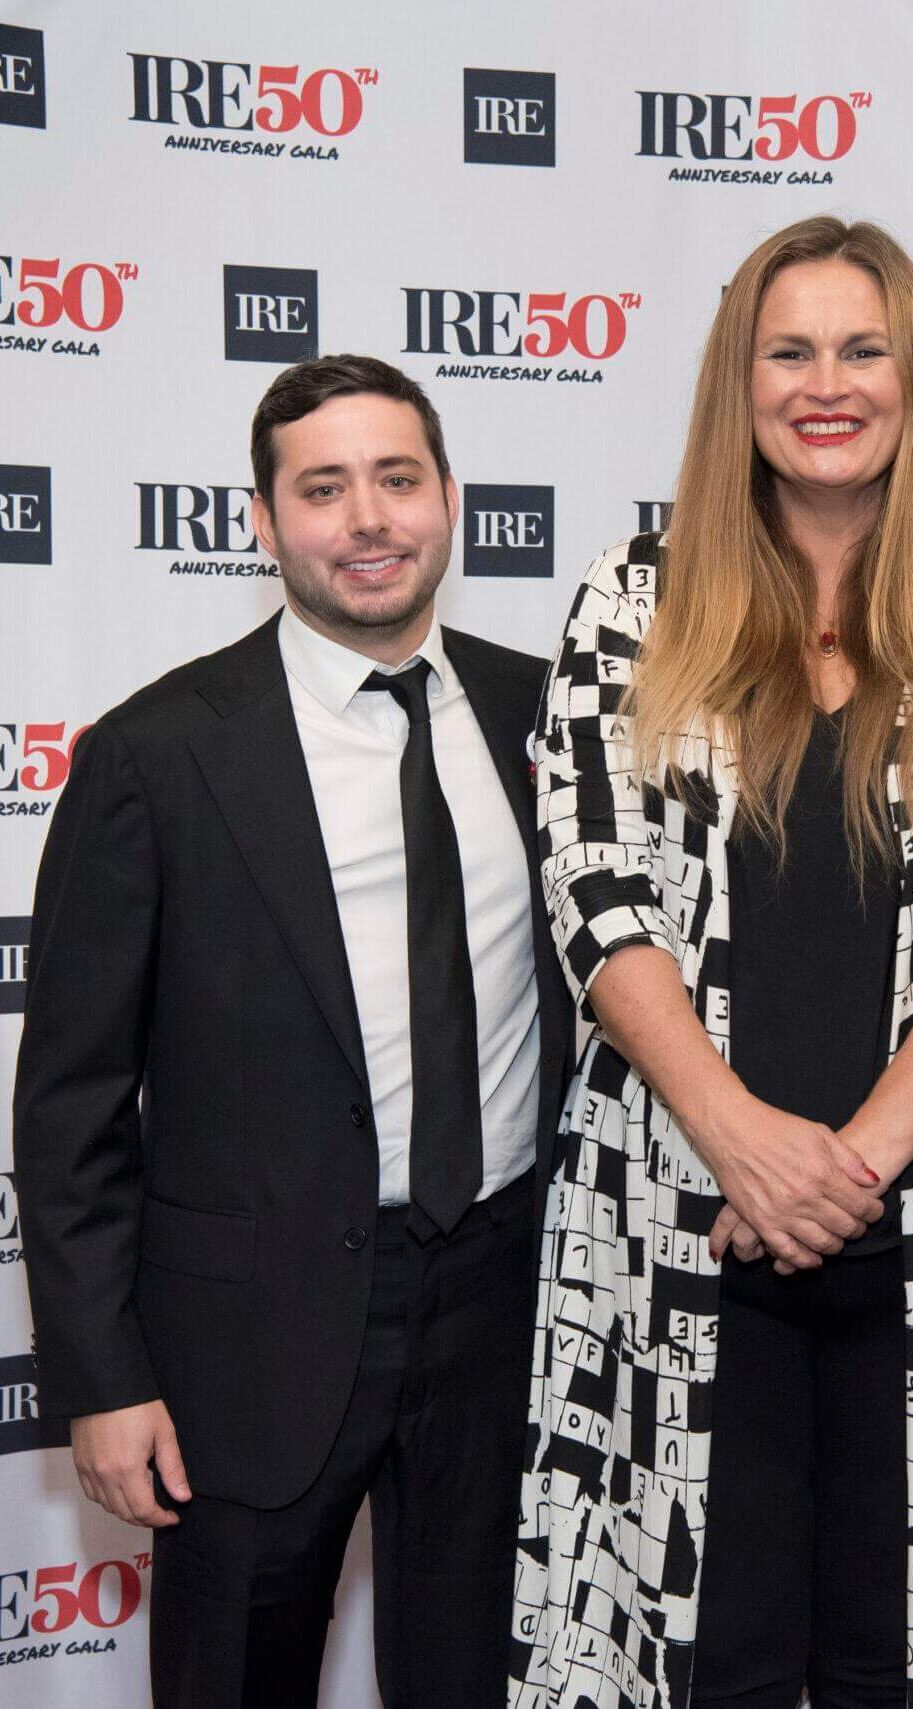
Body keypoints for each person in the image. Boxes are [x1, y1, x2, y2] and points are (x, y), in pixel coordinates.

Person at [512, 216, 913, 1709]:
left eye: (862, 348)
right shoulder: (629, 603)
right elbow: (596, 890)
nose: (824, 382)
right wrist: (739, 1144)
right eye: (789, 350)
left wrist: (842, 1168)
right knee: (687, 1652)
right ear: (739, 381)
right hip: (674, 1218)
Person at [14, 354, 572, 1707]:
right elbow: (70, 1099)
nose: (366, 518)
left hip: (501, 1308)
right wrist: (102, 1377)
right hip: (244, 1342)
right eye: (322, 489)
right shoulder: (157, 753)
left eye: (396, 479)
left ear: (450, 499)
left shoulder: (545, 716)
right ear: (262, 523)